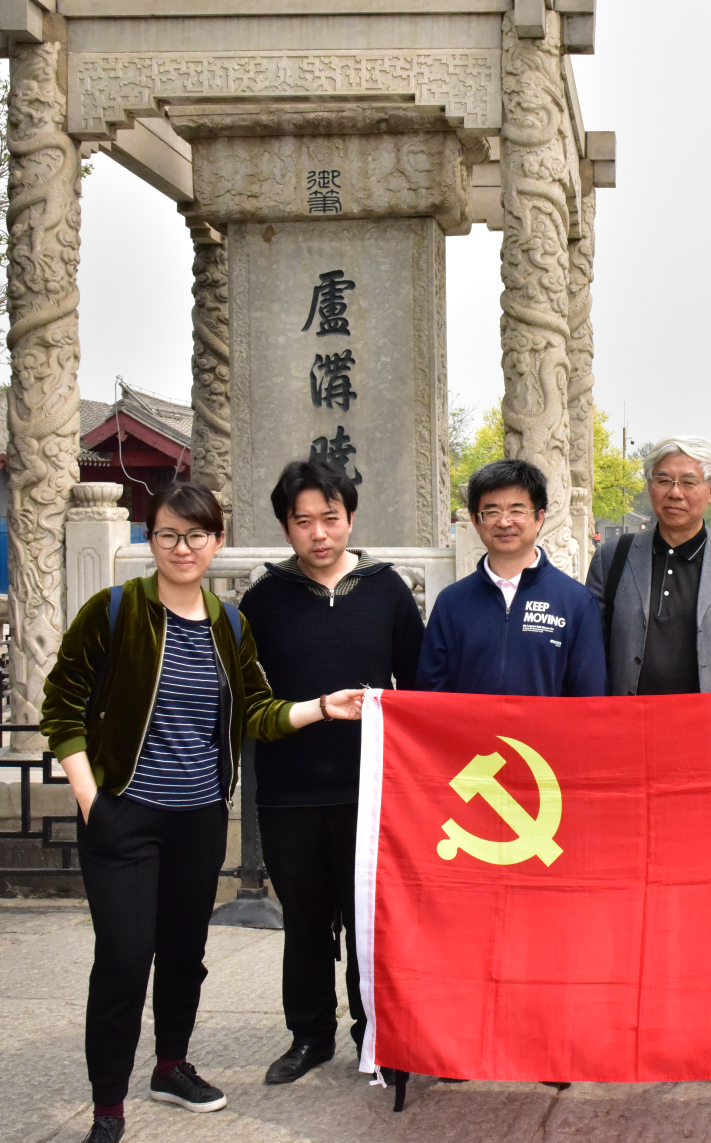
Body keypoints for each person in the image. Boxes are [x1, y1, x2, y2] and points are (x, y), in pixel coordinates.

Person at [40, 482, 364, 1143]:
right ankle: (108, 1106)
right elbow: (61, 705)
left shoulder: (228, 624)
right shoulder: (114, 611)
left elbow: (257, 711)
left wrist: (321, 707)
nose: (182, 548)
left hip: (198, 817)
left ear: (216, 541)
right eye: (168, 534)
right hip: (124, 813)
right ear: (150, 539)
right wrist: (90, 798)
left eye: (196, 535)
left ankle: (171, 1067)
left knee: (185, 954)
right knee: (125, 959)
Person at [239, 459, 424, 1085]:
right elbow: (249, 699)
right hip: (288, 789)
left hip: (369, 789)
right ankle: (309, 1036)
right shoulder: (263, 600)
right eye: (303, 522)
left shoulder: (387, 591)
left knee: (369, 921)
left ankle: (376, 1036)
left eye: (331, 518)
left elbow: (418, 686)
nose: (319, 534)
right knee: (305, 922)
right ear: (285, 527)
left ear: (350, 518)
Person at [586, 436, 711, 696]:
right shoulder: (612, 558)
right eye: (663, 481)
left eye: (688, 482)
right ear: (650, 486)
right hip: (631, 716)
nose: (675, 493)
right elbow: (591, 655)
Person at [417, 458, 605, 696]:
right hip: (468, 723)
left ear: (539, 518)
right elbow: (430, 693)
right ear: (475, 521)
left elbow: (589, 696)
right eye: (492, 512)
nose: (504, 522)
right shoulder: (451, 602)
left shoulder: (576, 602)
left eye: (517, 511)